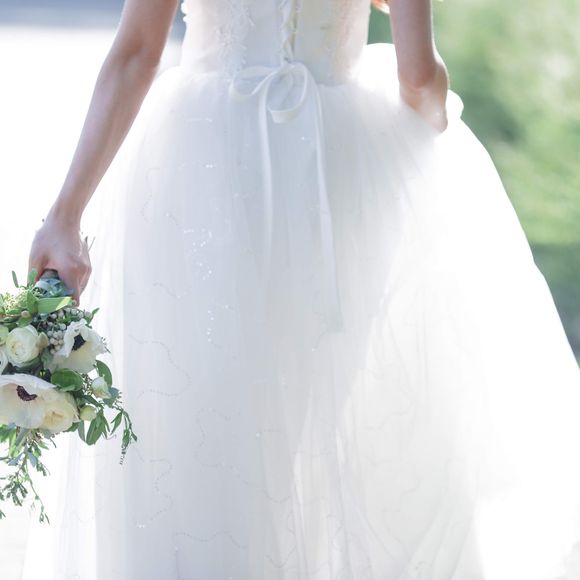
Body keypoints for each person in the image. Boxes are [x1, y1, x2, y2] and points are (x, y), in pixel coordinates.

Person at [21, 0, 580, 578]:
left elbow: (136, 54)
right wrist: (439, 114)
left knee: (190, 425)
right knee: (314, 437)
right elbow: (418, 80)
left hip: (200, 161)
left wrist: (66, 215)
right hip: (335, 171)